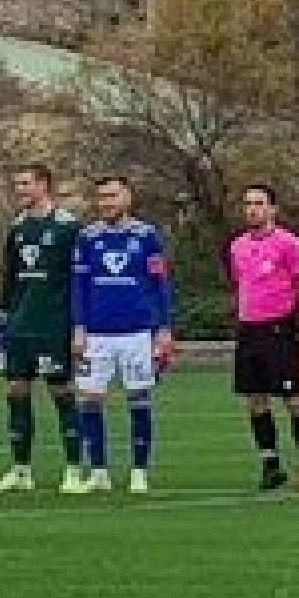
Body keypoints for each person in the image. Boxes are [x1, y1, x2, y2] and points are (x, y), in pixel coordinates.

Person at [62, 175, 178, 493]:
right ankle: (99, 471)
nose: (106, 203)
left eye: (112, 196)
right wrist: (79, 328)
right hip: (97, 334)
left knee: (139, 397)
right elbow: (79, 286)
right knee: (90, 399)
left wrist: (163, 328)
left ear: (128, 197)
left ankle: (139, 471)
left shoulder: (146, 236)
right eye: (101, 197)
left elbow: (160, 284)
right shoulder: (87, 237)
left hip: (137, 333)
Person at [223, 180, 299, 490]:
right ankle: (270, 463)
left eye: (259, 203)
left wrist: (291, 316)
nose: (252, 210)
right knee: (255, 399)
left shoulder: (288, 243)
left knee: (294, 398)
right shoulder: (237, 246)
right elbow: (240, 282)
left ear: (272, 209)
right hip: (249, 328)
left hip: (280, 327)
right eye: (248, 204)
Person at [0, 164, 75, 494]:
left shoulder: (67, 227)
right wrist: (4, 316)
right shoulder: (18, 228)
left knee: (61, 392)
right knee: (16, 392)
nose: (20, 190)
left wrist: (76, 324)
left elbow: (75, 279)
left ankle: (72, 469)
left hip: (53, 323)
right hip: (21, 324)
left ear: (44, 185)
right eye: (17, 184)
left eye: (25, 184)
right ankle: (21, 469)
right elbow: (9, 278)